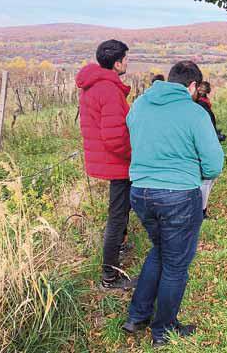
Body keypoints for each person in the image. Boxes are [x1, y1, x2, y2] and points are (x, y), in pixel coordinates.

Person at [122, 61, 224, 347]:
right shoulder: (194, 112)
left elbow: (135, 140)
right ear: (192, 86)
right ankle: (163, 330)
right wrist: (191, 172)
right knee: (176, 265)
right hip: (178, 194)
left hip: (140, 191)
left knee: (161, 250)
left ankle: (137, 315)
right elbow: (214, 165)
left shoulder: (140, 105)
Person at [76, 39, 136, 290]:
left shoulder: (94, 85)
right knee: (117, 214)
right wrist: (135, 155)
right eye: (126, 59)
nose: (127, 63)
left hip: (108, 159)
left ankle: (119, 247)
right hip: (116, 161)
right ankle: (109, 276)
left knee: (121, 210)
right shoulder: (108, 90)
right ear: (117, 62)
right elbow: (115, 137)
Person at [193, 81, 225, 219]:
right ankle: (201, 212)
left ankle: (201, 210)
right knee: (207, 179)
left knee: (208, 178)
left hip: (207, 141)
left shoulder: (203, 103)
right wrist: (216, 136)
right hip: (204, 144)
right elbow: (205, 126)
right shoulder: (201, 105)